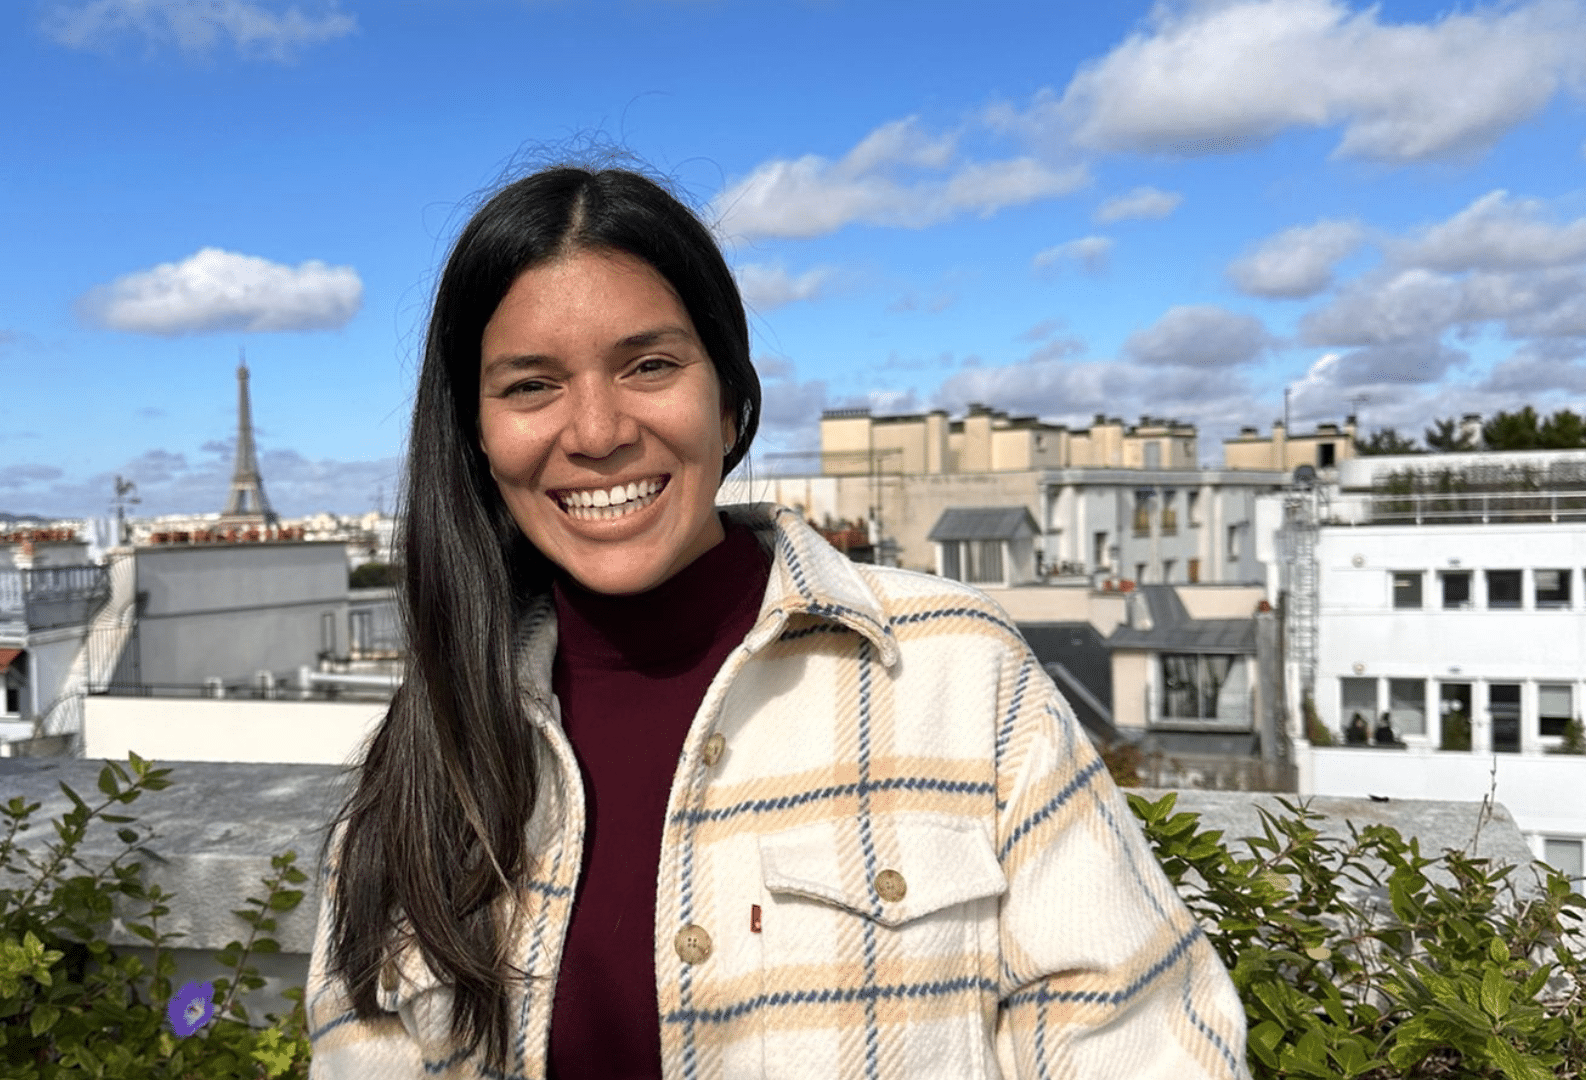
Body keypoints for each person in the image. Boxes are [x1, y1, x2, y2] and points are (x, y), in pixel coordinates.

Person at [303, 165, 1250, 1079]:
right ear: (474, 431)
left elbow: (1137, 1040)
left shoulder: (958, 676)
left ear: (730, 394)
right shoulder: (430, 749)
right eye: (529, 385)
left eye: (650, 364)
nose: (595, 432)